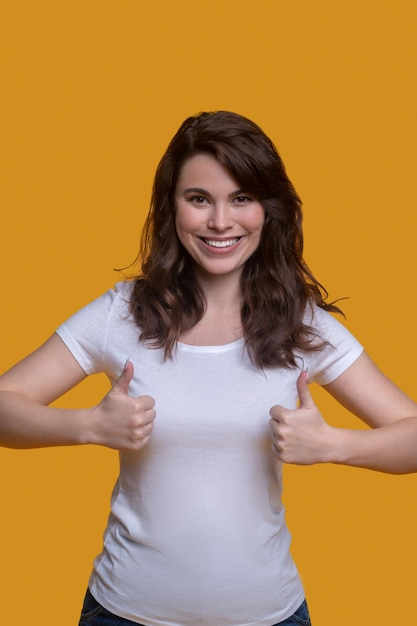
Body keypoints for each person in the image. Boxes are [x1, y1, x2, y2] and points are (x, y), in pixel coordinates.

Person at [1, 111, 416, 626]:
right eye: (199, 199)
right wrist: (86, 425)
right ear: (170, 207)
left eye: (241, 198)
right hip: (125, 614)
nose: (221, 221)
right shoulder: (121, 313)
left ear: (269, 209)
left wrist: (335, 446)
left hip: (270, 617)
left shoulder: (300, 324)